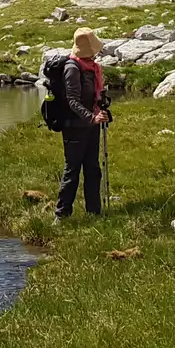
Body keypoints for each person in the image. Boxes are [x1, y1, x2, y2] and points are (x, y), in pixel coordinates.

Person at [55, 27, 110, 219]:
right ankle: (62, 215)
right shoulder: (72, 68)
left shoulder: (93, 68)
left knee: (93, 169)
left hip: (91, 127)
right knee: (72, 171)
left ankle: (94, 212)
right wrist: (91, 118)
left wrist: (101, 111)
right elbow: (72, 101)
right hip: (74, 128)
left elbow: (95, 96)